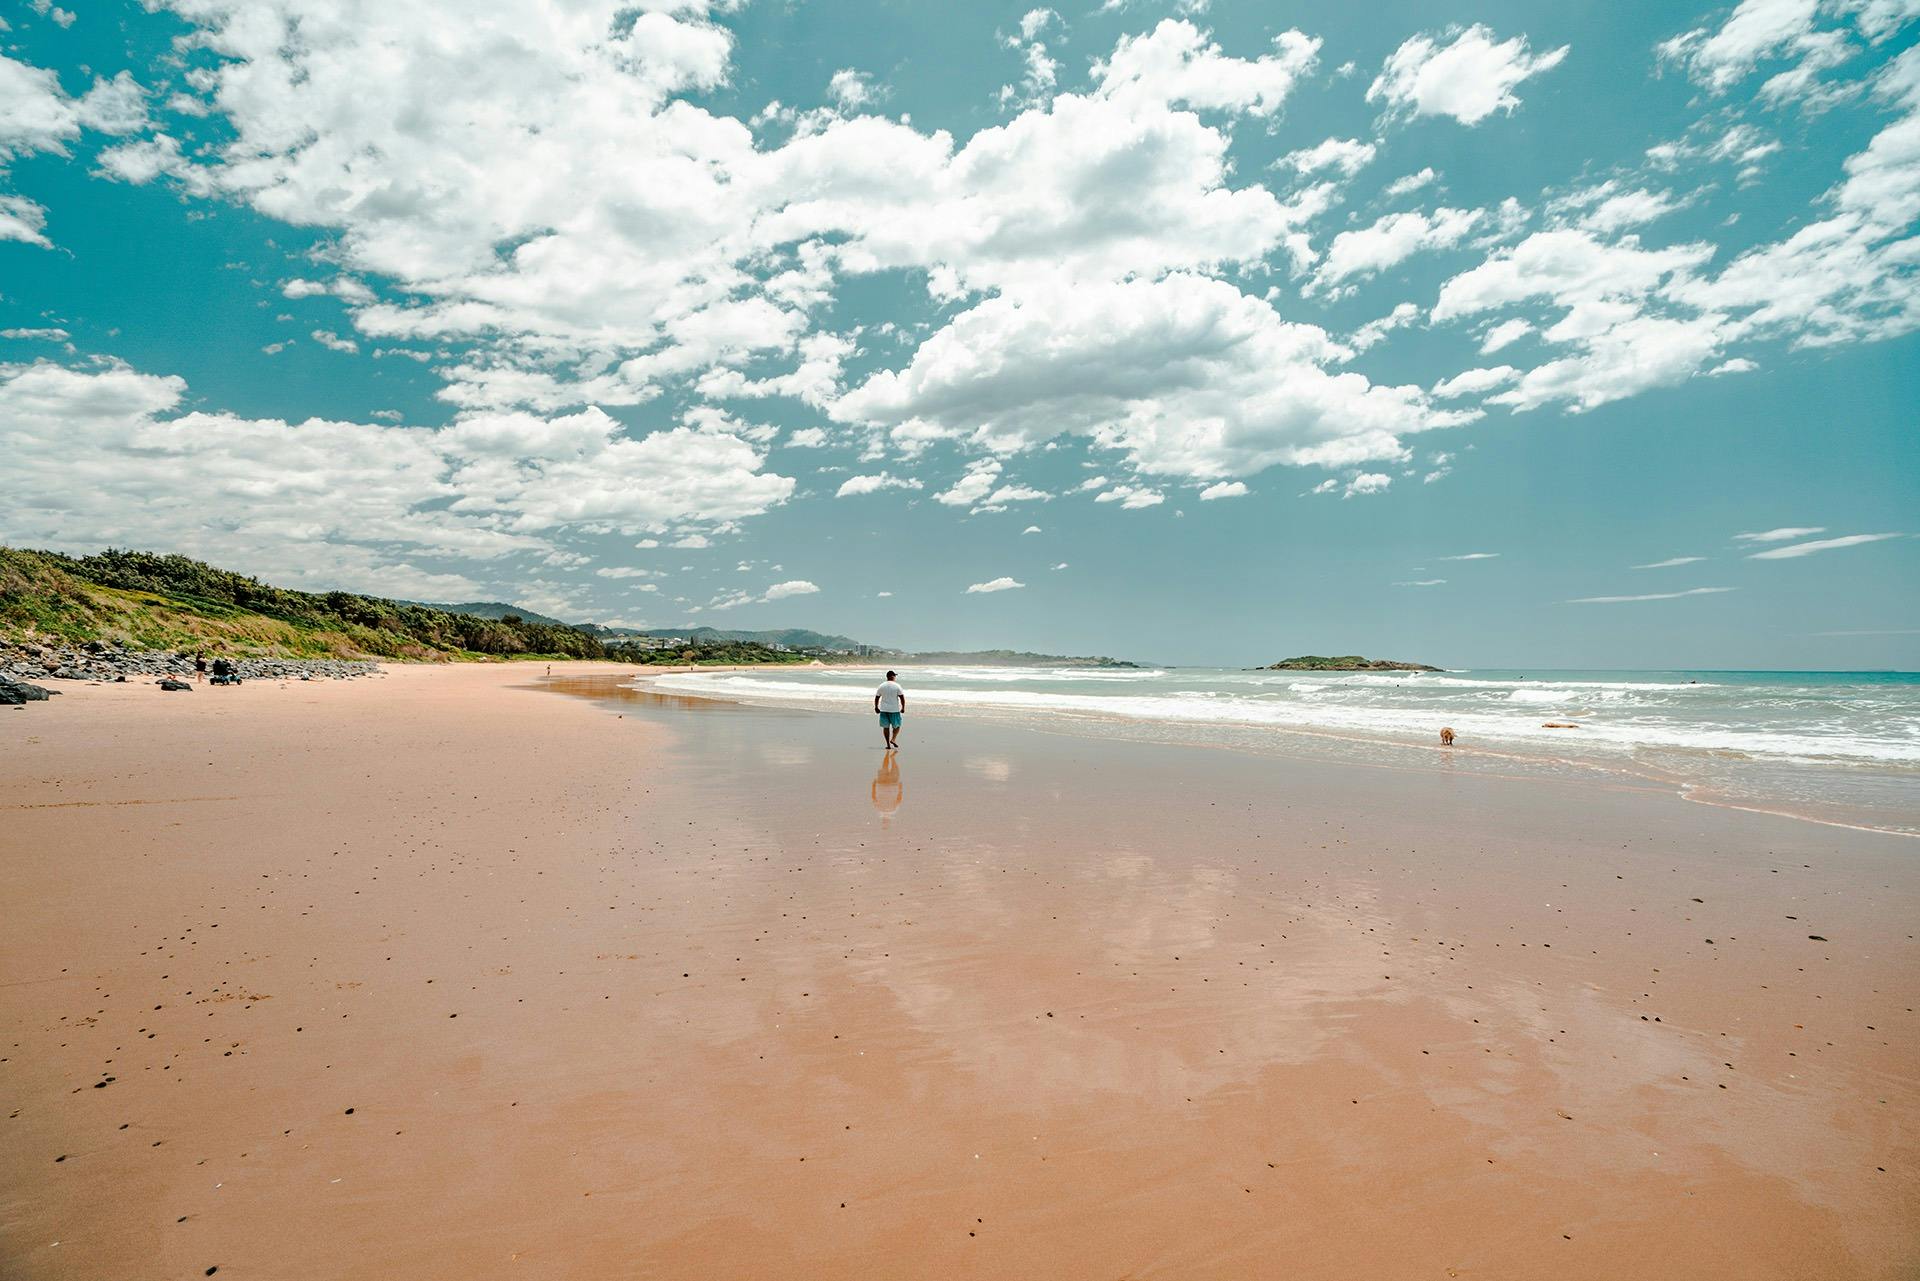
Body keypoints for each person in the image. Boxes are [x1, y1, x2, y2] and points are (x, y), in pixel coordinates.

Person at [873, 670, 906, 749]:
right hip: (894, 710)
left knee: (886, 727)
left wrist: (876, 707)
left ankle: (888, 745)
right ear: (892, 676)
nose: (895, 677)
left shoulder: (881, 686)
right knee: (897, 726)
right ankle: (893, 739)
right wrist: (903, 708)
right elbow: (902, 698)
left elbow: (877, 697)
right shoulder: (897, 686)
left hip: (884, 710)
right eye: (894, 676)